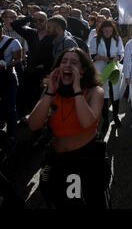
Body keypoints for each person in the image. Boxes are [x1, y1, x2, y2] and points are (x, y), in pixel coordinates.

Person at [27, 48, 110, 208]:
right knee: (59, 202)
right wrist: (50, 91)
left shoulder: (94, 92)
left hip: (85, 160)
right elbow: (33, 124)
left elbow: (87, 122)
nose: (67, 65)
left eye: (74, 63)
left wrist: (77, 89)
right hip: (56, 160)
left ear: (83, 70)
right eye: (64, 62)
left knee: (87, 203)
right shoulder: (52, 91)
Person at [89, 20, 124, 136]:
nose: (108, 32)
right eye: (105, 30)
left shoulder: (117, 39)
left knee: (115, 94)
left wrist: (117, 57)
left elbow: (121, 53)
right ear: (102, 30)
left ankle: (115, 116)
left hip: (113, 68)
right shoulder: (95, 39)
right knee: (104, 95)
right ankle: (105, 119)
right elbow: (92, 54)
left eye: (110, 30)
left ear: (113, 30)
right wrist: (100, 57)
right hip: (101, 68)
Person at [0, 21, 22, 149]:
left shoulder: (13, 42)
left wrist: (7, 65)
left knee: (10, 106)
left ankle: (12, 135)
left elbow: (18, 59)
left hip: (8, 77)